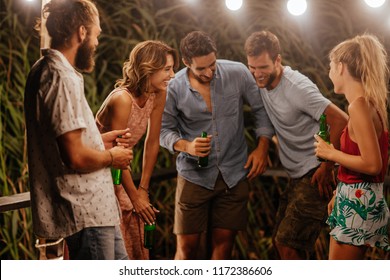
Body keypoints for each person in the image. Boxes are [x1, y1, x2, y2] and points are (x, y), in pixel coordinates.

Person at [24, 0, 133, 260]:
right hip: (86, 212)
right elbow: (74, 156)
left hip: (95, 212)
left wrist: (99, 139)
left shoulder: (43, 69)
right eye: (95, 34)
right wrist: (112, 157)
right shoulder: (60, 77)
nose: (96, 42)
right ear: (81, 33)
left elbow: (60, 138)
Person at [160, 31, 274, 260]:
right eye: (201, 69)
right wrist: (187, 146)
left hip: (234, 173)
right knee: (186, 249)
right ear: (186, 63)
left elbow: (262, 110)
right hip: (194, 176)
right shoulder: (174, 87)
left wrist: (262, 147)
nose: (209, 72)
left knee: (224, 247)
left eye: (212, 64)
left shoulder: (238, 72)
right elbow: (164, 132)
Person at [244, 30, 349, 259]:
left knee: (287, 245)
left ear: (278, 60)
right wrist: (262, 146)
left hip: (315, 173)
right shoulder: (260, 82)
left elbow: (341, 120)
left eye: (262, 67)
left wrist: (327, 165)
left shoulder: (297, 88)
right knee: (284, 244)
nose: (257, 74)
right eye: (252, 67)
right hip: (296, 175)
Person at [95, 40, 179, 259]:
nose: (172, 75)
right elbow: (116, 152)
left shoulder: (158, 93)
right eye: (167, 69)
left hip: (120, 167)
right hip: (99, 169)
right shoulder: (122, 99)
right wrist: (135, 197)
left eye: (172, 68)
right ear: (147, 68)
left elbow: (152, 142)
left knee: (136, 221)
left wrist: (143, 189)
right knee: (118, 227)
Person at [314, 34, 390, 259]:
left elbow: (373, 164)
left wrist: (331, 153)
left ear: (340, 67)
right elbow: (362, 157)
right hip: (356, 197)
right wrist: (341, 191)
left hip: (359, 201)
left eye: (330, 66)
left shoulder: (359, 107)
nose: (329, 73)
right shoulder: (368, 104)